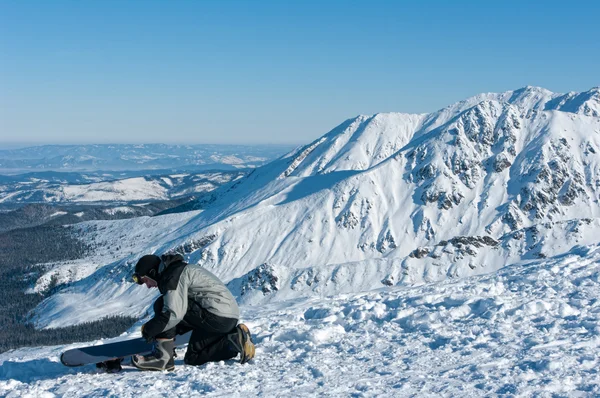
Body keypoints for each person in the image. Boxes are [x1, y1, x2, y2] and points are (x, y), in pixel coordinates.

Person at [130, 253, 255, 371]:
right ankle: (233, 341)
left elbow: (173, 313)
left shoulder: (173, 275)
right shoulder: (177, 270)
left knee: (163, 305)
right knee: (193, 357)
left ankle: (163, 358)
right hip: (225, 318)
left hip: (216, 315)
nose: (147, 285)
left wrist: (149, 329)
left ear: (152, 273)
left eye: (145, 280)